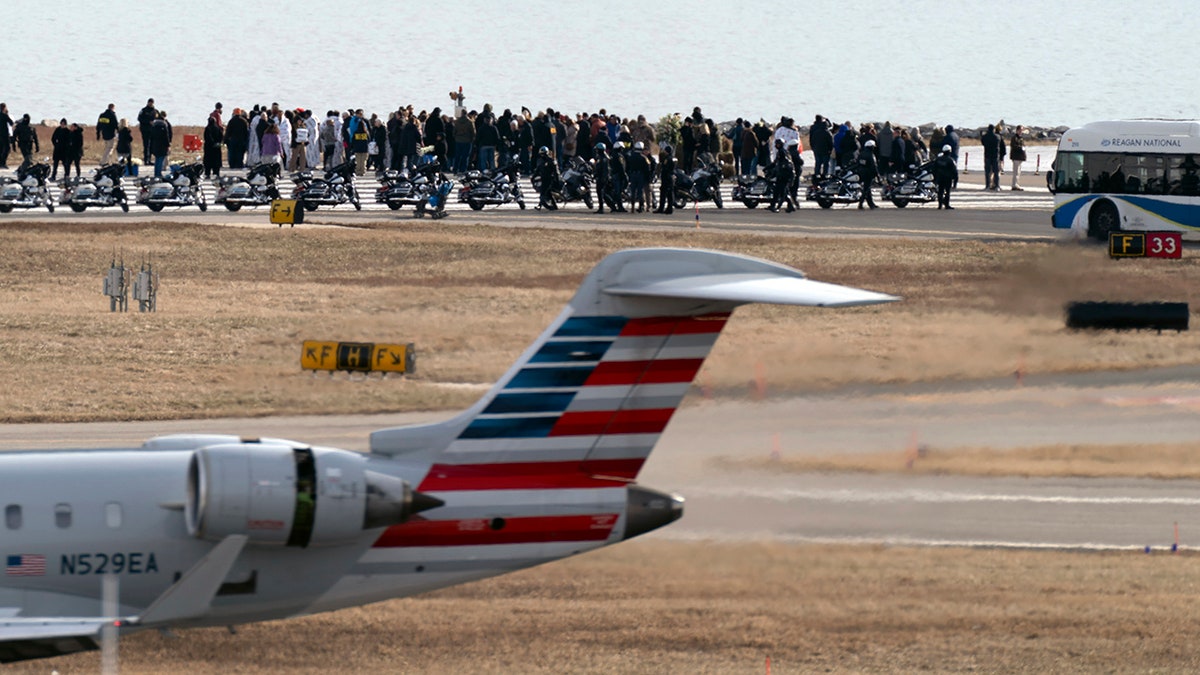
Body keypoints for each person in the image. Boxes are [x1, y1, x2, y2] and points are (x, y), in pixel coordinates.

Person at [768, 139, 796, 213]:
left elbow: (786, 164)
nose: (777, 145)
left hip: (784, 175)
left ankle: (777, 207)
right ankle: (790, 206)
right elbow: (775, 162)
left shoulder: (783, 153)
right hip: (781, 174)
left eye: (779, 144)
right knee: (779, 191)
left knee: (782, 192)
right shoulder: (781, 152)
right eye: (776, 144)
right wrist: (768, 168)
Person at [627, 141, 652, 213]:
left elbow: (628, 167)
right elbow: (648, 168)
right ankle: (641, 206)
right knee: (640, 191)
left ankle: (632, 207)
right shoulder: (644, 158)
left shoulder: (630, 157)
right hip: (640, 175)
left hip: (633, 175)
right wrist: (648, 177)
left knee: (633, 191)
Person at [856, 139, 879, 209]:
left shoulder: (861, 154)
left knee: (867, 189)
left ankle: (871, 204)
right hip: (869, 173)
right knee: (866, 189)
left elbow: (858, 163)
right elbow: (873, 166)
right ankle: (861, 203)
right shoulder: (871, 155)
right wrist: (877, 175)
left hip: (861, 172)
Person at [655, 144, 677, 214]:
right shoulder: (673, 158)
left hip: (667, 177)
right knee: (669, 193)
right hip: (670, 177)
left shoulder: (667, 159)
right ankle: (668, 208)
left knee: (664, 193)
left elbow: (665, 168)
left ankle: (664, 208)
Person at [593, 142, 615, 214]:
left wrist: (603, 178)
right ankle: (610, 206)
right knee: (602, 193)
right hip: (601, 177)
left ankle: (605, 207)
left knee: (601, 193)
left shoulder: (603, 158)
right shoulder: (601, 157)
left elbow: (605, 169)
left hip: (602, 178)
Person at [933, 145, 957, 209]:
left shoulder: (938, 159)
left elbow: (934, 169)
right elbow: (954, 171)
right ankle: (947, 205)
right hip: (948, 178)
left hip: (940, 178)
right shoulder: (951, 160)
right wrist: (955, 181)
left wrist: (935, 178)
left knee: (940, 191)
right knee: (947, 192)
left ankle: (940, 205)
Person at [534, 146, 558, 210]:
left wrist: (556, 179)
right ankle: (552, 206)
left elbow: (555, 171)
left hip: (550, 178)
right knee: (546, 192)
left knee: (544, 193)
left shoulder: (551, 161)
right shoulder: (540, 161)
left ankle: (544, 206)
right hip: (543, 178)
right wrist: (533, 177)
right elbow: (538, 170)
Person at [149, 111, 172, 178]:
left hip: (155, 144)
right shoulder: (164, 125)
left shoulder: (154, 126)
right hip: (162, 145)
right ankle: (158, 173)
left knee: (157, 159)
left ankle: (156, 173)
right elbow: (166, 136)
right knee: (161, 159)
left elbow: (151, 137)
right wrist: (168, 145)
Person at [137, 98, 157, 164]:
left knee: (152, 145)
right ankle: (146, 160)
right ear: (148, 103)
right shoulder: (143, 110)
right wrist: (148, 122)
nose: (151, 104)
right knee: (146, 145)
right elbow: (139, 118)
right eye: (150, 102)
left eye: (152, 103)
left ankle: (150, 159)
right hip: (145, 130)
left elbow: (158, 118)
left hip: (153, 130)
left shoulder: (155, 111)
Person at [1009, 125, 1027, 191]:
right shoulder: (1014, 138)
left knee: (1018, 172)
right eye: (1020, 130)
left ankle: (1017, 184)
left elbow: (1023, 146)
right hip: (1016, 156)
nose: (1021, 131)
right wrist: (1020, 148)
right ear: (1017, 130)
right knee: (1016, 172)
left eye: (1022, 130)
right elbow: (1013, 146)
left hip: (1020, 157)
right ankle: (1014, 185)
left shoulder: (1021, 138)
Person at [0, 103, 11, 169]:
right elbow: (11, 122)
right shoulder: (5, 116)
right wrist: (7, 114)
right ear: (4, 108)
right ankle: (3, 163)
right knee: (7, 148)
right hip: (5, 134)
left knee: (1, 148)